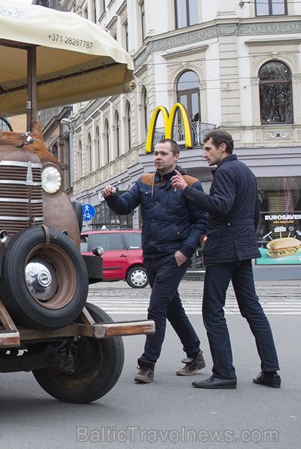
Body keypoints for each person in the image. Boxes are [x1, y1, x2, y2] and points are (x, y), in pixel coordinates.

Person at [172, 129, 280, 389]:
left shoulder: (224, 172)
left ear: (222, 147)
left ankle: (224, 373)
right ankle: (270, 371)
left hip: (224, 249)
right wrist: (243, 236)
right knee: (252, 309)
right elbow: (254, 213)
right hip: (242, 247)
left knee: (212, 310)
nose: (204, 153)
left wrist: (188, 190)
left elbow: (220, 206)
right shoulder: (246, 171)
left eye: (208, 149)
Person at [102, 138, 208, 384]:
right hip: (151, 255)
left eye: (163, 153)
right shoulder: (145, 182)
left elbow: (201, 222)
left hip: (175, 256)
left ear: (176, 157)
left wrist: (186, 250)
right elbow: (124, 207)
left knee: (156, 308)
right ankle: (195, 355)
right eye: (155, 153)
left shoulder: (189, 184)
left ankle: (147, 364)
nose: (157, 157)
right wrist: (111, 197)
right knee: (172, 307)